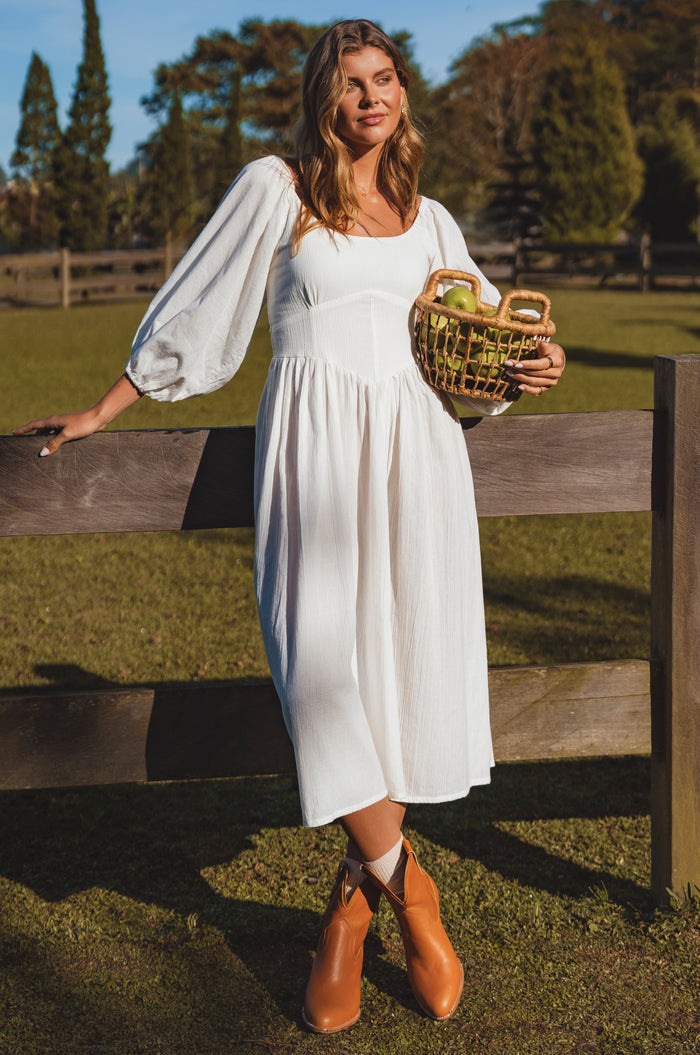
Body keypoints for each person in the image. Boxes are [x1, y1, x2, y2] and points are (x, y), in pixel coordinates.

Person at [15, 19, 565, 1033]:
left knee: (397, 678)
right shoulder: (279, 190)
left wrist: (536, 363)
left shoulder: (432, 219)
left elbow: (492, 339)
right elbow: (197, 309)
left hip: (416, 463)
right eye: (352, 81)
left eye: (386, 78)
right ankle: (409, 888)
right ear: (324, 98)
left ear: (401, 95)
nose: (371, 95)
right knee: (318, 673)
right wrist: (103, 407)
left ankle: (348, 913)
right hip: (311, 462)